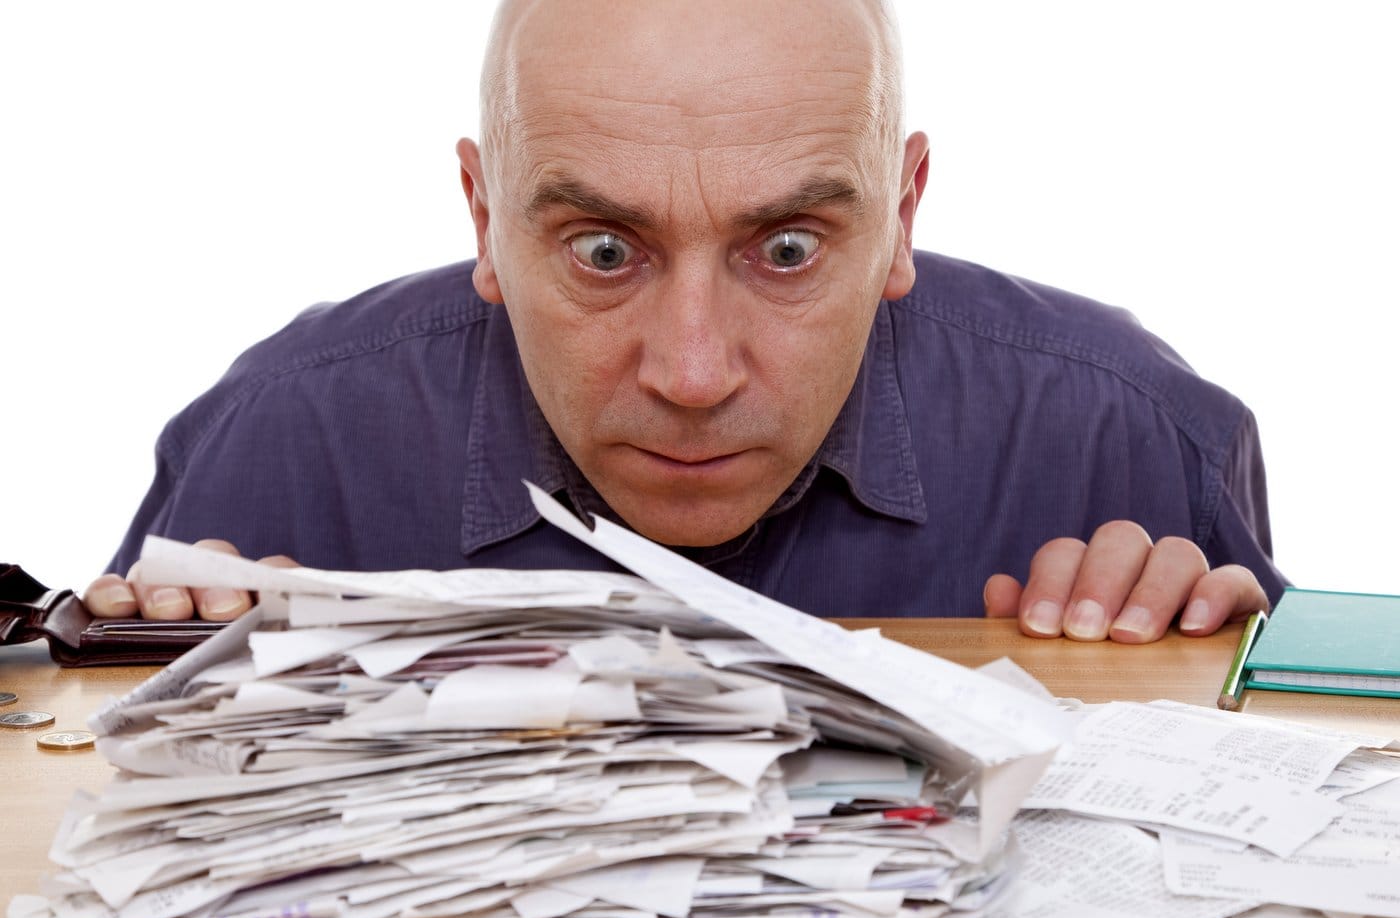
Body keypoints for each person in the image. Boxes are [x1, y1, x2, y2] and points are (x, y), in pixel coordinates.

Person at [80, 0, 1282, 644]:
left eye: (788, 248)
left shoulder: (1128, 436)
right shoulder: (277, 444)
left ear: (901, 212)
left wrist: (1202, 662)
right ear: (484, 214)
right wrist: (155, 662)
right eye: (604, 251)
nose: (693, 371)